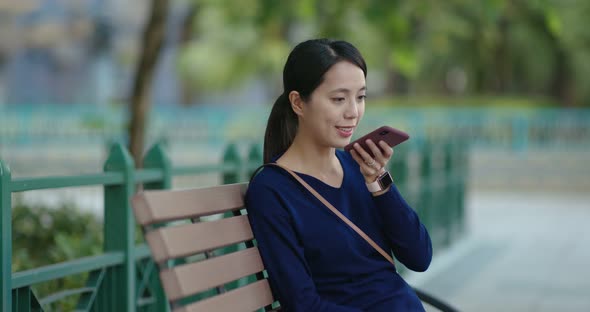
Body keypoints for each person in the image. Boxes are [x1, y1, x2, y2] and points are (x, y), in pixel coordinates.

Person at [245, 38, 432, 312]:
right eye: (339, 99)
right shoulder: (272, 191)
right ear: (298, 103)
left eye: (361, 97)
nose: (353, 112)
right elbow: (303, 304)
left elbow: (419, 257)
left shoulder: (360, 170)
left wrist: (380, 183)